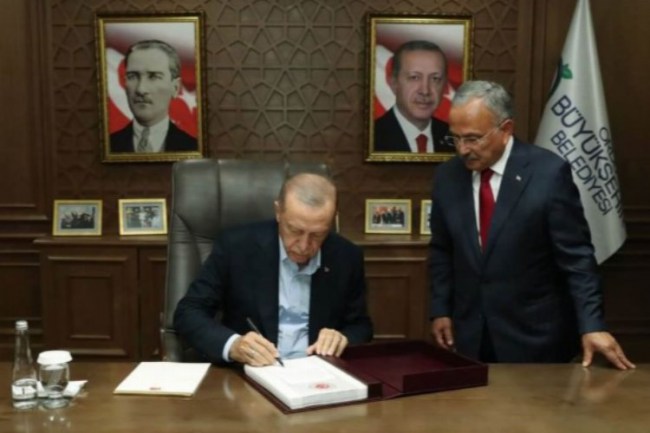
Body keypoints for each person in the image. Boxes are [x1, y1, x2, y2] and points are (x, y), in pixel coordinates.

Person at [428, 80, 634, 370]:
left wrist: (592, 325)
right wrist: (440, 309)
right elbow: (442, 250)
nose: (463, 149)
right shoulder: (447, 177)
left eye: (473, 138)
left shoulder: (548, 174)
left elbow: (576, 258)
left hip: (534, 338)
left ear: (506, 129)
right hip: (471, 334)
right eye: (456, 138)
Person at [173, 172, 373, 366]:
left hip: (318, 373)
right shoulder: (236, 247)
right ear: (278, 212)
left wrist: (343, 338)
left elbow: (361, 326)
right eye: (294, 230)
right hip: (251, 372)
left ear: (332, 221)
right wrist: (234, 345)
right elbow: (188, 312)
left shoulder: (347, 256)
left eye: (317, 235)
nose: (304, 246)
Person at [110, 39, 197, 153]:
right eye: (132, 76)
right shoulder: (110, 144)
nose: (141, 89)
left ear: (175, 87)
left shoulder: (192, 146)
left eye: (154, 77)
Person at [374, 40, 455, 154]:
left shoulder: (456, 140)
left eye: (435, 79)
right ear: (393, 83)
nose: (425, 91)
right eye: (414, 77)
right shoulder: (371, 138)